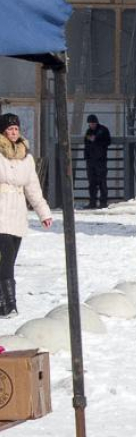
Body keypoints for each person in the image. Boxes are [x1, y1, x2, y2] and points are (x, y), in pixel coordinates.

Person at [0, 113, 52, 318]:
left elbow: (33, 188)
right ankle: (9, 305)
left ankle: (5, 303)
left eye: (16, 129)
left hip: (17, 215)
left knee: (9, 261)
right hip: (1, 213)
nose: (13, 133)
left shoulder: (26, 158)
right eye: (9, 129)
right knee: (4, 260)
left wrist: (43, 212)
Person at [83, 113, 111, 209]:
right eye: (90, 123)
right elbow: (86, 143)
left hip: (100, 160)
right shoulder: (89, 132)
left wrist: (96, 140)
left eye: (93, 123)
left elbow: (107, 142)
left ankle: (103, 202)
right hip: (91, 160)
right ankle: (93, 202)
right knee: (92, 183)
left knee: (102, 181)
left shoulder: (103, 130)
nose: (92, 125)